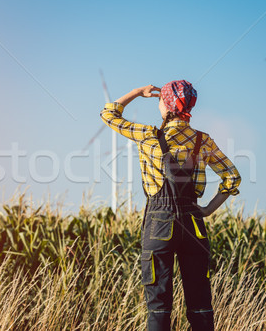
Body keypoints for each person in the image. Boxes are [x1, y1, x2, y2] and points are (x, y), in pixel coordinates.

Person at [99, 80, 241, 331]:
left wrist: (136, 92)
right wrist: (207, 209)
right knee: (200, 305)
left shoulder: (148, 135)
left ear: (166, 104)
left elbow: (108, 114)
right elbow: (232, 177)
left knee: (159, 306)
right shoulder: (203, 140)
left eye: (159, 101)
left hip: (159, 223)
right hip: (193, 223)